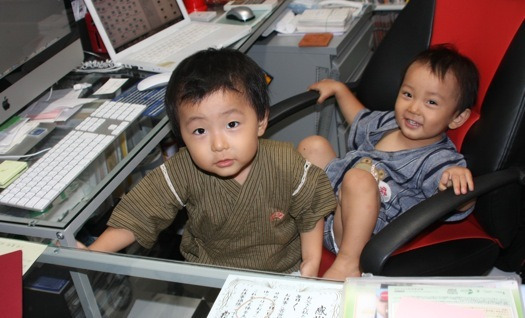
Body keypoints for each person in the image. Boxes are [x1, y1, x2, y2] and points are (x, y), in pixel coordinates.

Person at [78, 48, 336, 277]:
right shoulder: (183, 170)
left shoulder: (285, 163)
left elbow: (309, 212)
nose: (218, 145)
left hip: (282, 271)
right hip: (213, 275)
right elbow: (140, 213)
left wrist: (311, 261)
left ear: (260, 121)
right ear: (181, 136)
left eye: (232, 124)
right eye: (200, 131)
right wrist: (95, 251)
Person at [298, 44, 479, 280]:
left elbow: (460, 200)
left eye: (431, 102)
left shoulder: (438, 159)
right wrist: (340, 90)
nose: (413, 108)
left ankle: (348, 265)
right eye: (408, 94)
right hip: (328, 210)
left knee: (358, 178)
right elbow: (360, 118)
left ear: (457, 118)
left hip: (363, 234)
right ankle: (299, 220)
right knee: (313, 146)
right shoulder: (390, 123)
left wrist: (459, 182)